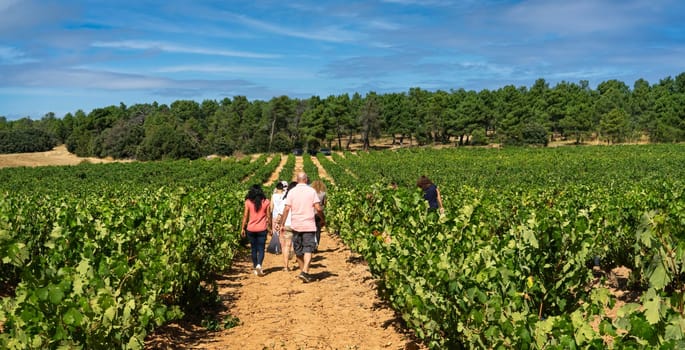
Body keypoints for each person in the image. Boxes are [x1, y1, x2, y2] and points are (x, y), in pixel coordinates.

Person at [277, 172, 325, 283]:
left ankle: (304, 271)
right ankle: (305, 272)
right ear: (306, 179)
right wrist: (323, 219)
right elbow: (318, 208)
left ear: (297, 180)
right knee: (308, 249)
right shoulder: (311, 191)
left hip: (296, 225)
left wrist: (282, 224)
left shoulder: (292, 192)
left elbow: (287, 209)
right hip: (309, 225)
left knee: (298, 251)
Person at [240, 184, 271, 276]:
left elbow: (245, 216)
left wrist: (243, 228)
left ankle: (255, 266)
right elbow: (268, 216)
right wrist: (270, 228)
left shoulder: (248, 202)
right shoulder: (266, 202)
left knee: (253, 249)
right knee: (261, 248)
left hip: (251, 229)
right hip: (262, 228)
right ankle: (259, 265)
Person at [275, 181, 298, 271]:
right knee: (296, 243)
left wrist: (278, 223)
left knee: (285, 246)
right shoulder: (299, 200)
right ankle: (295, 254)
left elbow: (280, 214)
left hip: (287, 224)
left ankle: (286, 266)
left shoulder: (285, 200)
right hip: (298, 224)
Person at [267, 181, 287, 254]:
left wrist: (270, 214)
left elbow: (271, 207)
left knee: (276, 231)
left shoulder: (274, 196)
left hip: (275, 215)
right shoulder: (285, 195)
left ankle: (276, 248)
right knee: (282, 231)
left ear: (276, 188)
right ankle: (282, 247)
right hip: (283, 215)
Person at [310, 179, 327, 251]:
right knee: (318, 230)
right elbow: (324, 203)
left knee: (311, 230)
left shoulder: (311, 193)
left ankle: (311, 244)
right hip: (319, 213)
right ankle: (316, 246)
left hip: (310, 213)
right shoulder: (323, 194)